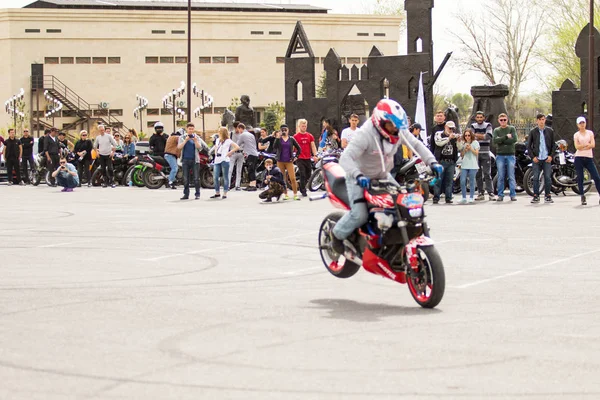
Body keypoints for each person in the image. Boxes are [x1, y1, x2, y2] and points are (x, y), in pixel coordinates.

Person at [330, 99, 441, 253]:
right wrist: (358, 175)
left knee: (401, 205)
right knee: (359, 215)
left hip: (383, 175)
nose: (395, 129)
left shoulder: (397, 129)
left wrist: (432, 162)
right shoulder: (365, 134)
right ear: (379, 121)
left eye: (397, 126)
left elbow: (416, 144)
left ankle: (391, 239)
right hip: (358, 177)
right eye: (391, 125)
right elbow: (345, 158)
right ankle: (336, 236)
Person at [527, 113, 556, 204]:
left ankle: (547, 195)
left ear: (545, 120)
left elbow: (553, 145)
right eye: (539, 120)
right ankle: (536, 196)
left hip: (546, 158)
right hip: (537, 158)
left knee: (547, 177)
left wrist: (551, 156)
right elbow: (528, 146)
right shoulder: (533, 131)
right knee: (535, 177)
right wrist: (533, 157)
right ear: (537, 121)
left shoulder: (550, 131)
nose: (541, 121)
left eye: (543, 119)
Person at [573, 116, 600, 205]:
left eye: (583, 123)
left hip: (588, 158)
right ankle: (582, 196)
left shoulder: (590, 133)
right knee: (580, 178)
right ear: (577, 125)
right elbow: (577, 147)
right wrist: (586, 145)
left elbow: (592, 144)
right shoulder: (576, 135)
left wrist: (584, 146)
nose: (582, 125)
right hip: (579, 158)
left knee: (596, 177)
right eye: (580, 123)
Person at [177, 122, 207, 200]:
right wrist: (185, 140)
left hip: (195, 160)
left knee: (196, 178)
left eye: (192, 129)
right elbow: (179, 147)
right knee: (186, 178)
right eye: (189, 129)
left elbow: (200, 148)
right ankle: (186, 194)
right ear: (187, 129)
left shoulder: (197, 137)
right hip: (185, 160)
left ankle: (197, 194)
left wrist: (195, 141)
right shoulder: (182, 137)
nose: (191, 130)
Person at [493, 113, 518, 202]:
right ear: (498, 121)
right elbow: (495, 141)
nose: (503, 121)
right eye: (501, 120)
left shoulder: (511, 128)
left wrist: (502, 140)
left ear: (507, 120)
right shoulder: (496, 130)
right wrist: (506, 137)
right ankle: (500, 195)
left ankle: (513, 194)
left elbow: (514, 140)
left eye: (504, 120)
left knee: (511, 175)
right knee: (500, 176)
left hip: (510, 154)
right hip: (500, 155)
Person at [471, 111, 496, 201]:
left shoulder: (488, 125)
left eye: (481, 117)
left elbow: (488, 136)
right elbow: (471, 137)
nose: (479, 119)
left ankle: (490, 193)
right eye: (478, 117)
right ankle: (480, 193)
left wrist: (477, 135)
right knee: (478, 174)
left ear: (484, 118)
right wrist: (481, 136)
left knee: (487, 173)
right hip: (476, 153)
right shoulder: (473, 126)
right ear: (476, 118)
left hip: (485, 152)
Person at [433, 120, 459, 204]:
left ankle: (448, 197)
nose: (451, 130)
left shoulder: (454, 136)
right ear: (445, 127)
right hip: (441, 161)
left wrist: (459, 140)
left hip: (451, 161)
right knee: (438, 180)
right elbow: (438, 143)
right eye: (449, 128)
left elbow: (458, 147)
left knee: (449, 181)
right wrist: (449, 138)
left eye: (452, 128)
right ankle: (436, 197)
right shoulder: (439, 134)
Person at [273, 124, 302, 200]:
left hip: (289, 161)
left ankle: (295, 194)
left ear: (288, 130)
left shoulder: (291, 139)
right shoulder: (279, 139)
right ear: (280, 131)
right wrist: (277, 138)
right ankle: (286, 194)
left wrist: (296, 157)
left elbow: (299, 148)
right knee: (282, 178)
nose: (284, 131)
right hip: (280, 161)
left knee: (292, 178)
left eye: (285, 130)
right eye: (282, 130)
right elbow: (274, 147)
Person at [210, 127, 239, 199]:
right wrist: (216, 153)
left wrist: (230, 152)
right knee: (215, 177)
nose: (218, 133)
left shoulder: (228, 140)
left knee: (225, 176)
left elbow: (237, 147)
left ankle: (225, 192)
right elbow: (216, 147)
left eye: (219, 132)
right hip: (217, 159)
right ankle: (217, 192)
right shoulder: (217, 140)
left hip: (225, 159)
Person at [294, 119, 318, 197]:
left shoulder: (309, 136)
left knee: (308, 174)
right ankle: (303, 189)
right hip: (299, 158)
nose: (304, 127)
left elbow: (313, 146)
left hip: (307, 158)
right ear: (299, 126)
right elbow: (292, 147)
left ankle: (301, 184)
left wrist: (315, 155)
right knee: (302, 173)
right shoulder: (295, 136)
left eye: (305, 126)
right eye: (302, 126)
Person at [457, 128, 479, 204]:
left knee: (472, 181)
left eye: (469, 135)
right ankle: (463, 197)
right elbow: (462, 155)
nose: (467, 137)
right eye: (466, 135)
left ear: (471, 135)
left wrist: (471, 148)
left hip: (473, 164)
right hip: (464, 164)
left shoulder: (475, 142)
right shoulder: (463, 143)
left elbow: (476, 153)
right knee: (462, 181)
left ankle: (471, 197)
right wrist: (465, 150)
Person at [237, 123, 259, 191]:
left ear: (240, 128)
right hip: (255, 153)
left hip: (250, 154)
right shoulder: (251, 134)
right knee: (252, 169)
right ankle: (251, 184)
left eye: (238, 130)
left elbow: (237, 144)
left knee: (251, 170)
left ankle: (253, 186)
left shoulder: (242, 135)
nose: (238, 131)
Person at [229, 121, 245, 190]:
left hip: (241, 153)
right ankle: (228, 184)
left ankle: (237, 185)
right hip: (233, 153)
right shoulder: (231, 134)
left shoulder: (243, 134)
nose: (237, 129)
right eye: (236, 128)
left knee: (239, 170)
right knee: (230, 169)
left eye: (238, 128)